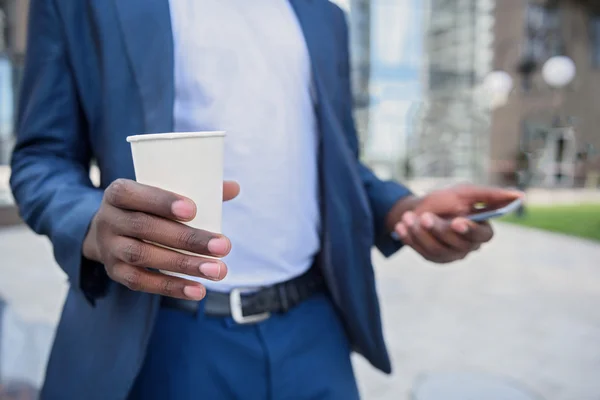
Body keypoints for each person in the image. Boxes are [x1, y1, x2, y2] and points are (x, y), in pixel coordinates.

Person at [9, 1, 522, 399]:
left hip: (314, 331)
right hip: (165, 334)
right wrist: (92, 226)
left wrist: (405, 211)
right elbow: (41, 158)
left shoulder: (323, 16)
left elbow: (338, 165)